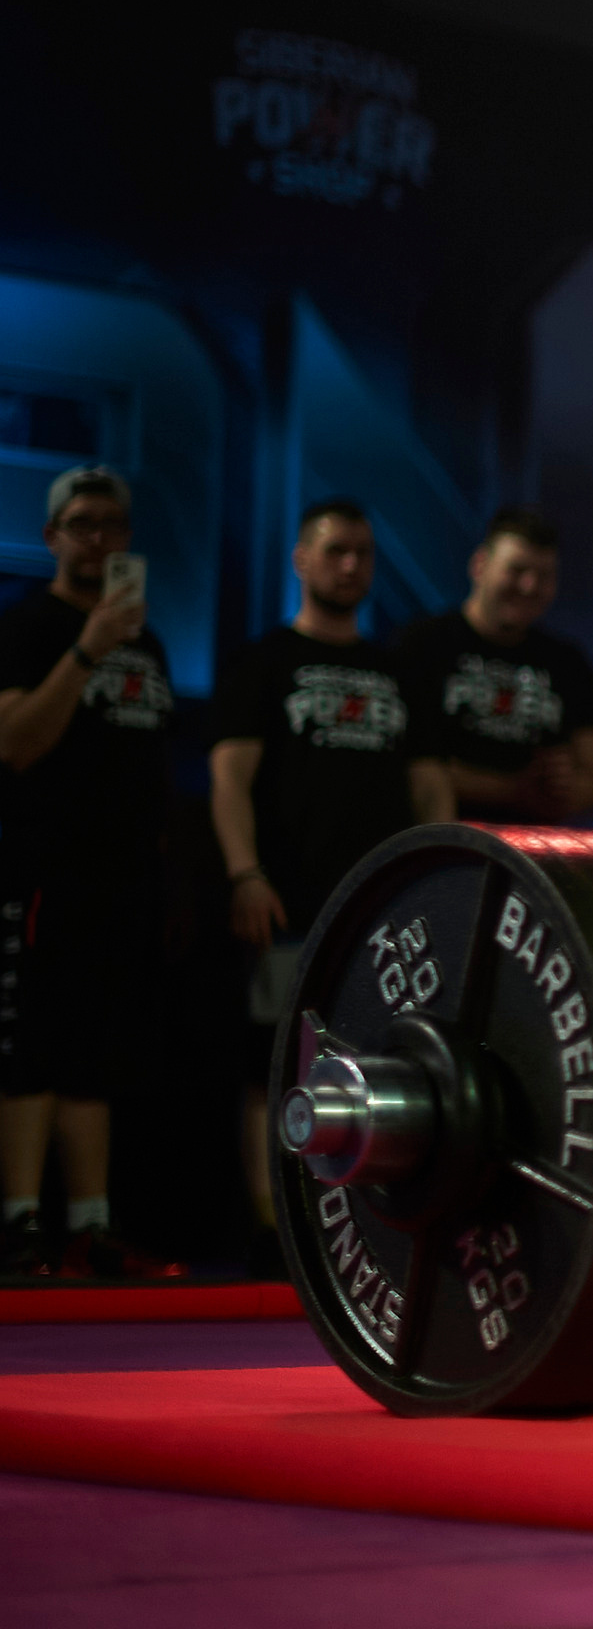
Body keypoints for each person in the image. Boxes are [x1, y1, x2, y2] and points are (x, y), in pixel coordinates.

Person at [209, 500, 455, 1267]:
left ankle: (358, 1228)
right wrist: (244, 872)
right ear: (301, 561)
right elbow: (228, 778)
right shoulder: (264, 661)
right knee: (273, 1067)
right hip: (285, 900)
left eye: (363, 554)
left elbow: (431, 789)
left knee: (382, 1064)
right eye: (336, 551)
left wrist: (442, 883)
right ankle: (270, 1227)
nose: (352, 566)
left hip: (381, 907)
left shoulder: (397, 671)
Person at [0, 466, 184, 1279]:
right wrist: (87, 649)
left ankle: (91, 1227)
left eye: (112, 522)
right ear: (52, 537)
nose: (98, 537)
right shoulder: (28, 625)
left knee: (99, 1055)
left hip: (127, 878)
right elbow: (16, 743)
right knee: (35, 1047)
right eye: (81, 522)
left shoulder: (151, 642)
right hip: (45, 866)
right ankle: (19, 1227)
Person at [396, 508, 593, 824]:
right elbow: (407, 765)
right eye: (516, 570)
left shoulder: (568, 662)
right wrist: (514, 790)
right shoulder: (423, 645)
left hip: (536, 863)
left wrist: (563, 785)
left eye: (545, 576)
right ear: (480, 565)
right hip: (444, 852)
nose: (529, 586)